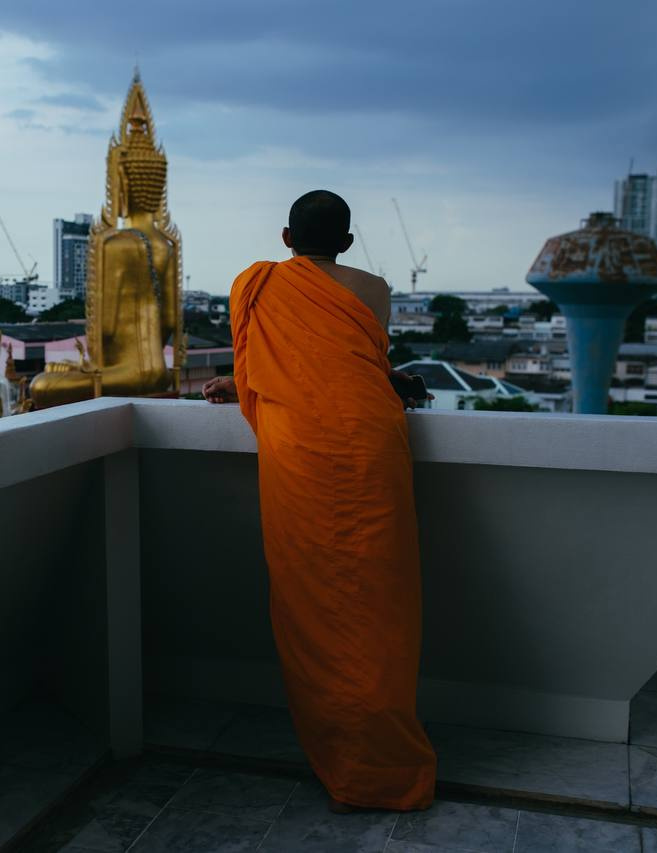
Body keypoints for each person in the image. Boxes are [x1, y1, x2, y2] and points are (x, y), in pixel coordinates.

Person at [202, 190, 437, 813]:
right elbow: (354, 365)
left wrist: (239, 380)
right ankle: (384, 762)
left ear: (285, 238)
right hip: (369, 447)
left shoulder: (257, 284)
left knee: (313, 597)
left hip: (299, 452)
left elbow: (301, 364)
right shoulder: (375, 289)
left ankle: (345, 760)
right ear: (350, 242)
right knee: (378, 600)